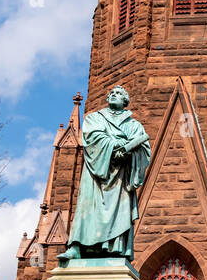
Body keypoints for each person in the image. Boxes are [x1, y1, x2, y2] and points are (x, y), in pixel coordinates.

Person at [60, 85, 151, 263]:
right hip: (97, 170)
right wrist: (116, 146)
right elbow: (93, 137)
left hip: (121, 174)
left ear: (125, 101)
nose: (114, 95)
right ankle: (76, 247)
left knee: (118, 209)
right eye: (112, 93)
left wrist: (129, 152)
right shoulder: (95, 118)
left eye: (119, 94)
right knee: (87, 206)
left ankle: (114, 247)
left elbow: (143, 149)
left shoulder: (134, 125)